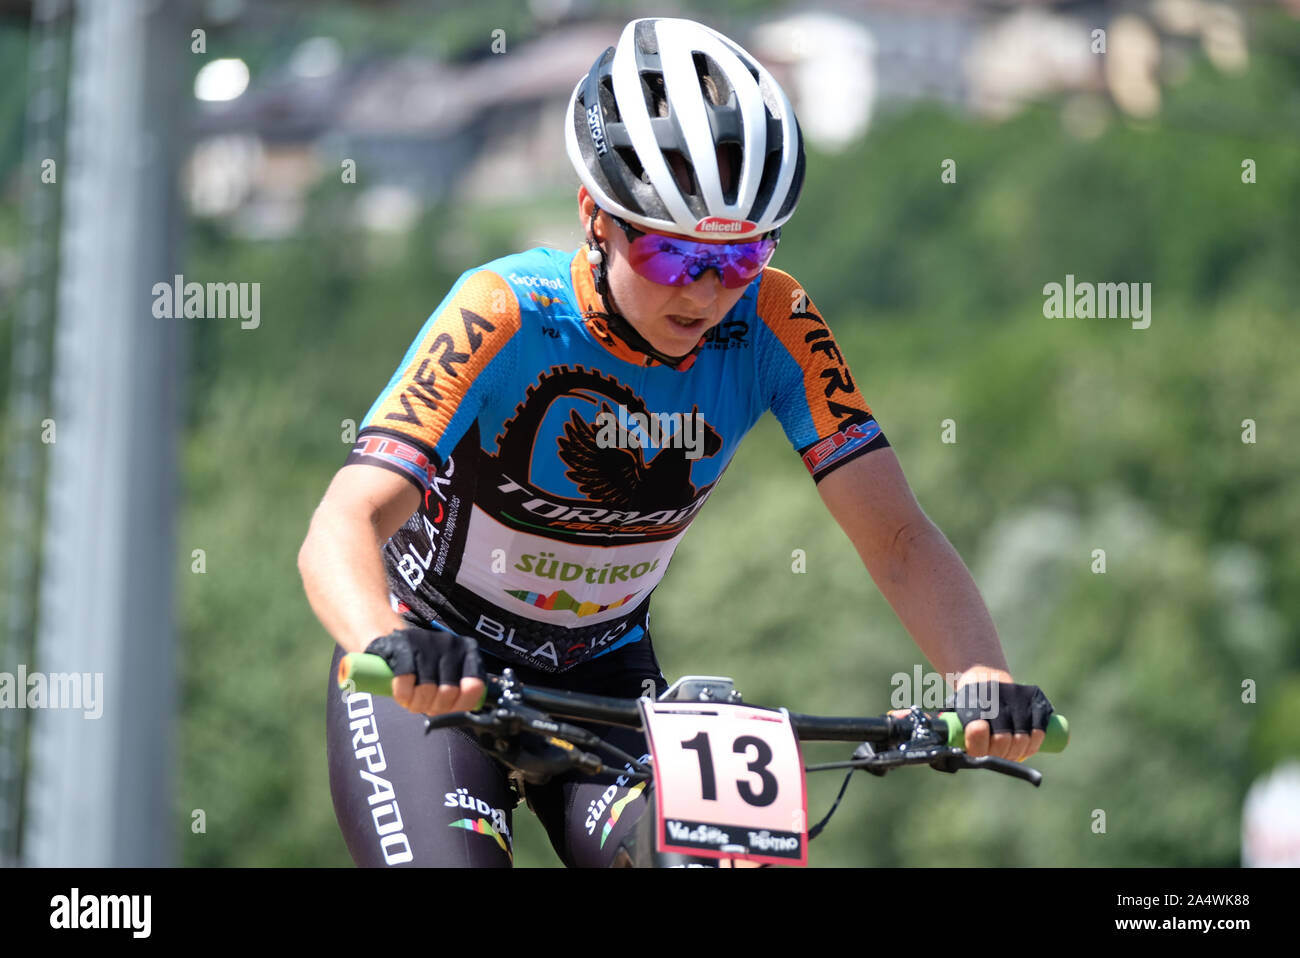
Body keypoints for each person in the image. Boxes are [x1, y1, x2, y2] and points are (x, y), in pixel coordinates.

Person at [298, 16, 1054, 868]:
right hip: (436, 657)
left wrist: (978, 674)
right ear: (595, 215)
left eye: (740, 258)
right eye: (670, 255)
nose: (707, 294)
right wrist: (381, 642)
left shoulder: (776, 321)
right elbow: (344, 520)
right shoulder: (504, 312)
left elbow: (898, 535)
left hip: (605, 679)